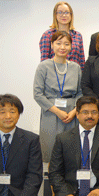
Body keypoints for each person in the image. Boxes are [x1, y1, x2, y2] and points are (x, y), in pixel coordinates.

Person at [33, 30, 82, 163]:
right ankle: (51, 182)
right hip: (50, 112)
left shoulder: (76, 68)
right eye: (58, 43)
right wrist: (57, 111)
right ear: (52, 45)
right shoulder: (43, 66)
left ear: (71, 46)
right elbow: (37, 94)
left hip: (71, 113)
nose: (62, 47)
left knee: (71, 152)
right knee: (50, 150)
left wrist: (74, 112)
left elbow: (80, 93)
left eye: (66, 44)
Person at [39, 1, 85, 69]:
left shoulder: (78, 36)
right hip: (54, 75)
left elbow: (81, 60)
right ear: (55, 15)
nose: (63, 15)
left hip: (74, 75)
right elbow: (44, 61)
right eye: (60, 12)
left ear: (71, 15)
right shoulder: (48, 35)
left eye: (66, 12)